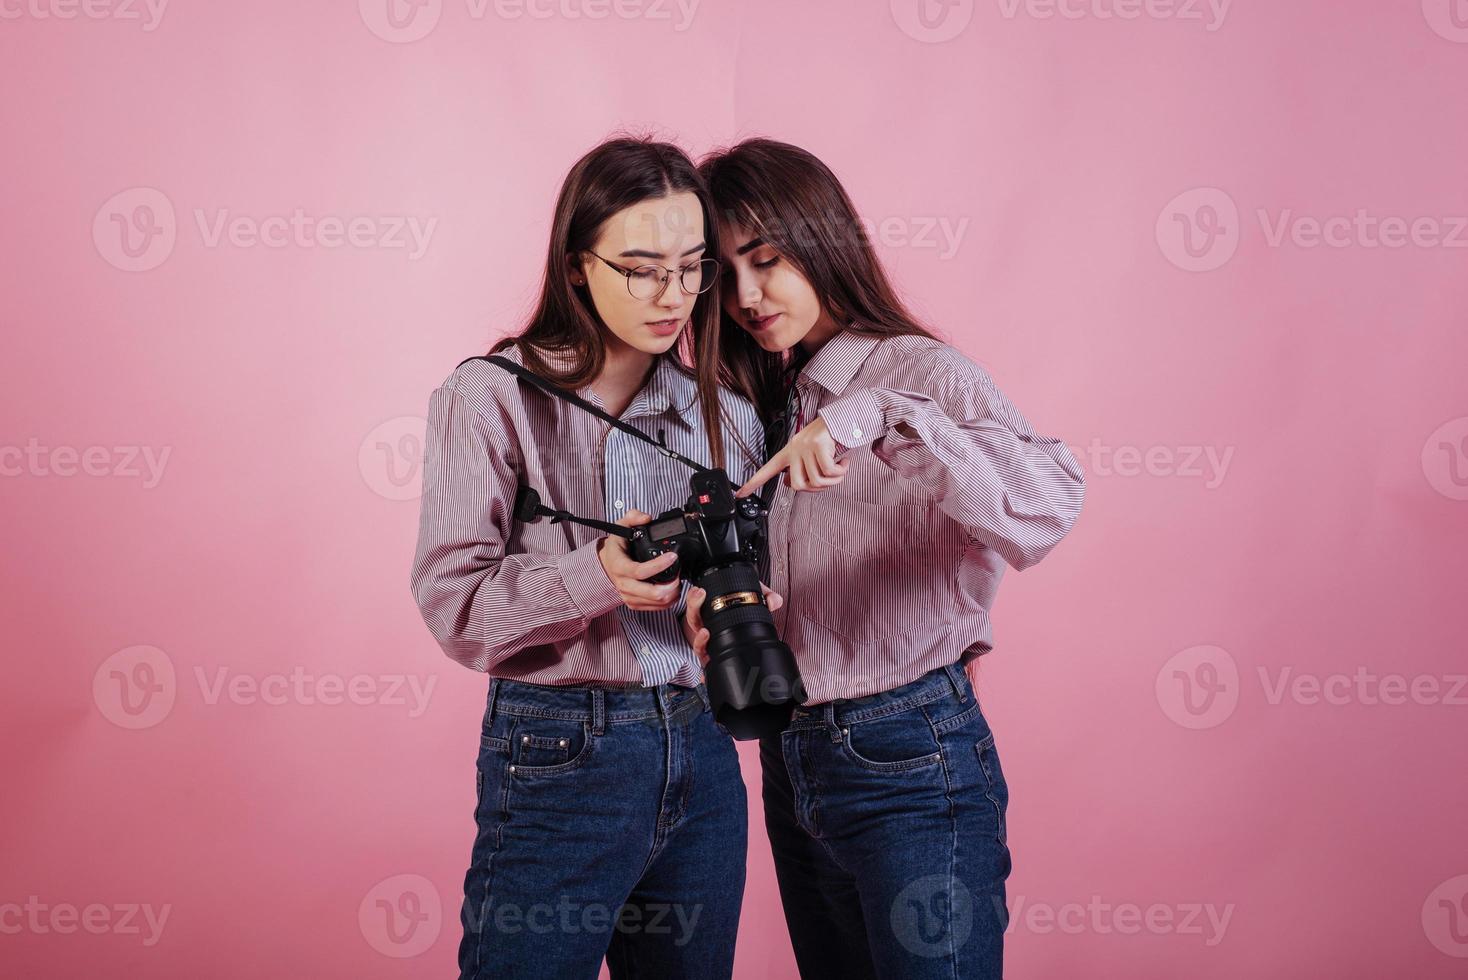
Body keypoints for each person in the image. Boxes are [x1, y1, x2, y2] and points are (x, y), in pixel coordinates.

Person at [684, 138, 1086, 979]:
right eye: (726, 275)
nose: (751, 295)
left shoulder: (915, 370)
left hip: (911, 757)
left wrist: (878, 417)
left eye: (768, 259)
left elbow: (1048, 508)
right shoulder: (776, 393)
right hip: (797, 762)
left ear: (823, 238)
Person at [410, 136, 766, 980]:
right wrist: (595, 577)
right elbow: (452, 605)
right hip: (561, 754)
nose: (671, 294)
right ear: (577, 267)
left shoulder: (728, 416)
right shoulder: (491, 397)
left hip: (705, 751)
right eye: (641, 268)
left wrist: (728, 617)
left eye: (691, 268)